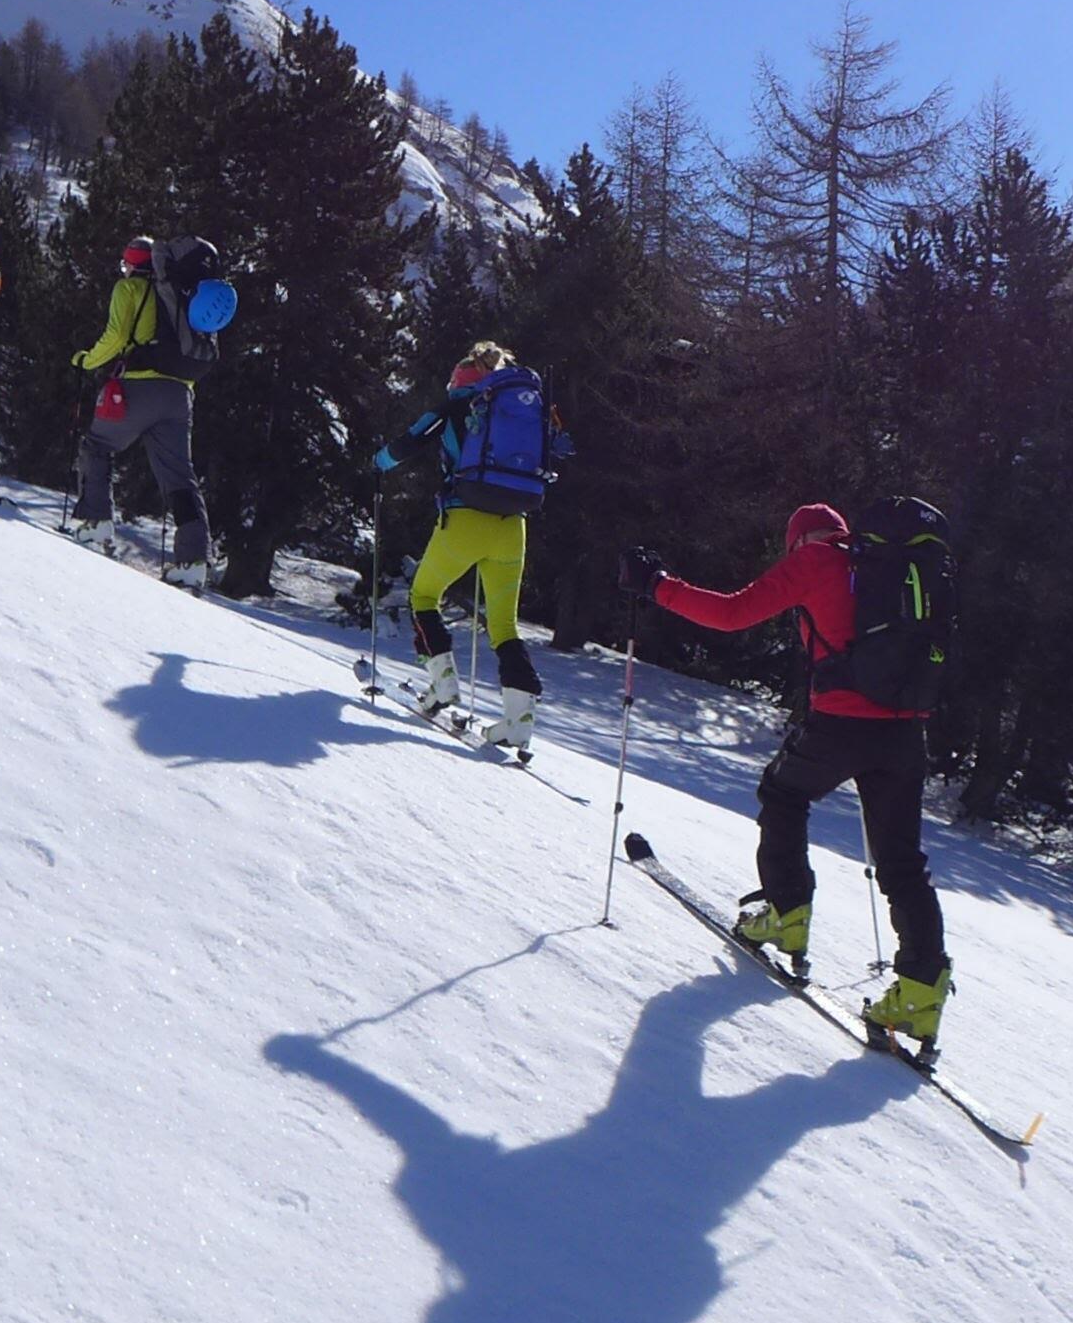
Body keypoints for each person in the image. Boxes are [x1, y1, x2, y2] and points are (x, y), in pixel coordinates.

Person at [624, 505, 952, 1043]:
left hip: (841, 724)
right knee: (901, 862)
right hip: (905, 732)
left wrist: (657, 586)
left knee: (782, 793)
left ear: (797, 540)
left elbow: (731, 614)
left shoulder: (815, 560)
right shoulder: (885, 568)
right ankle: (919, 995)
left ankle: (786, 914)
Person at [370, 342, 570, 755]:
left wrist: (379, 462)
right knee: (504, 626)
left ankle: (443, 683)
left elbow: (408, 443)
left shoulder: (456, 405)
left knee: (424, 595)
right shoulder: (524, 409)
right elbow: (562, 447)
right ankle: (519, 720)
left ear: (458, 380)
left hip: (464, 520)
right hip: (513, 526)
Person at [70, 235, 224, 588]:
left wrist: (85, 360)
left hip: (138, 387)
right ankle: (193, 561)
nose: (123, 269)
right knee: (180, 477)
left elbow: (115, 338)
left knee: (97, 446)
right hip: (180, 394)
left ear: (133, 264)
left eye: (125, 263)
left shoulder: (130, 289)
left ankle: (96, 524)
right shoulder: (183, 294)